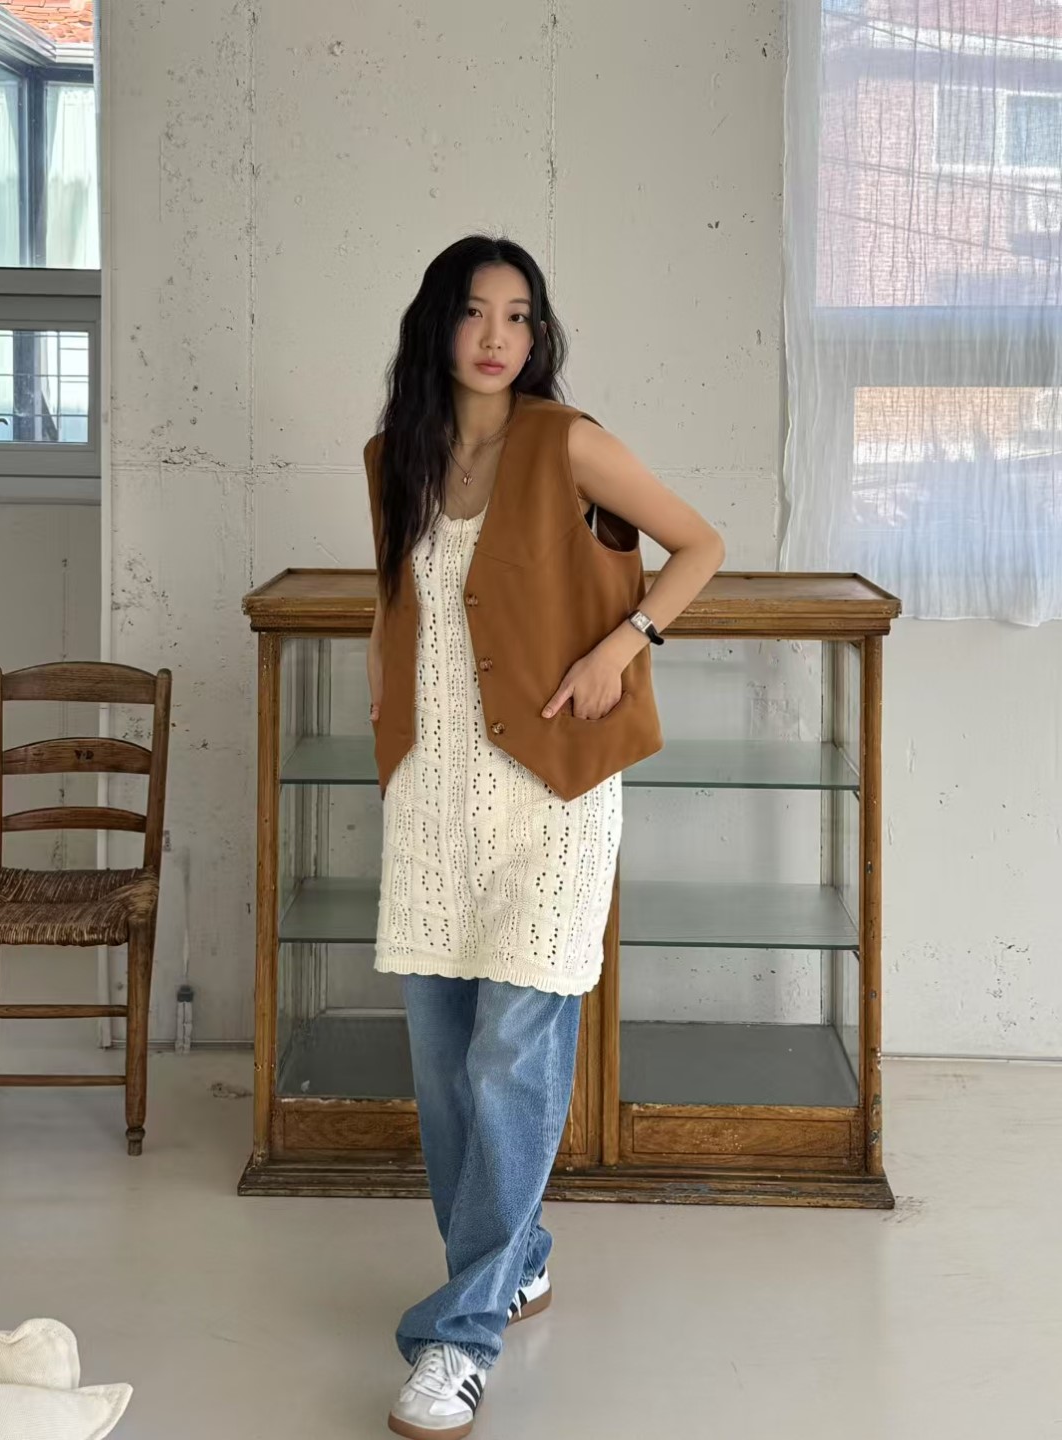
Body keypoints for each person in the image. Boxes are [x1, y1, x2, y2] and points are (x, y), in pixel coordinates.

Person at [364, 234, 725, 1439]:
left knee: (507, 1060)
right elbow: (402, 607)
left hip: (552, 796)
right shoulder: (396, 457)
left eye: (519, 315)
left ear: (538, 333)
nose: (497, 336)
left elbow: (700, 544)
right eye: (476, 311)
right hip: (432, 798)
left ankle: (459, 1341)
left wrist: (627, 643)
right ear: (438, 324)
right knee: (442, 1069)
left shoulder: (567, 441)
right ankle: (517, 1261)